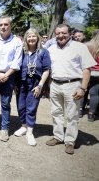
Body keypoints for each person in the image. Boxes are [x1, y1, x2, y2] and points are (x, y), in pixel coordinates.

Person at [46, 24, 96, 155]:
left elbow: (86, 69)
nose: (61, 36)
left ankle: (69, 141)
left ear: (70, 34)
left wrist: (83, 88)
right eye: (58, 33)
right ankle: (58, 136)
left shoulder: (79, 47)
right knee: (56, 112)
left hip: (73, 85)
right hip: (55, 84)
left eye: (64, 33)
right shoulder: (51, 48)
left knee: (72, 115)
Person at [15, 28, 51, 146]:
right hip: (21, 83)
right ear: (26, 38)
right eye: (29, 36)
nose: (31, 39)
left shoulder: (43, 52)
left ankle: (30, 132)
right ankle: (24, 126)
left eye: (33, 36)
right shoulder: (22, 51)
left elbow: (46, 70)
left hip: (35, 84)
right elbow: (16, 67)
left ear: (37, 38)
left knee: (31, 108)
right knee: (21, 107)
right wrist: (15, 83)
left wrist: (40, 85)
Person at [85, 30, 99, 122]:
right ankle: (91, 114)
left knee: (84, 91)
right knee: (95, 94)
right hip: (98, 73)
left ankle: (80, 110)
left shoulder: (86, 45)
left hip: (87, 71)